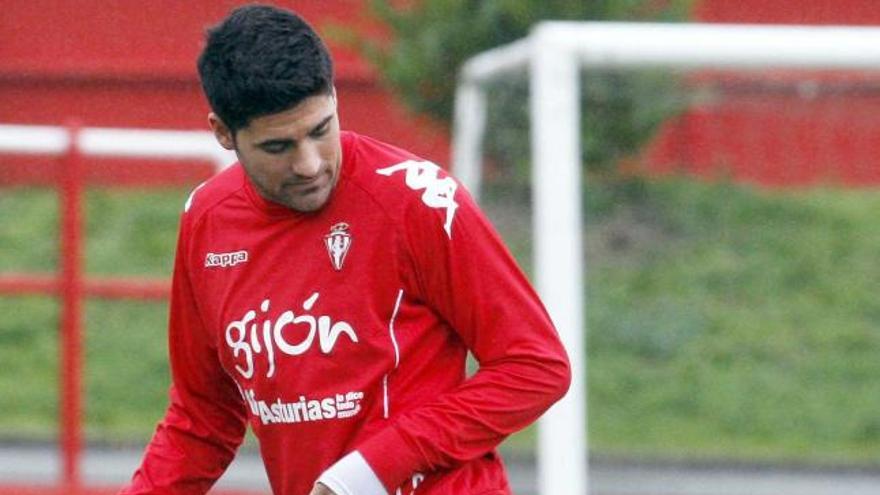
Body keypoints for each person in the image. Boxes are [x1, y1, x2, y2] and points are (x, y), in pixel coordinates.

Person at [120, 4, 570, 495]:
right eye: (278, 147)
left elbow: (536, 365)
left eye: (321, 129)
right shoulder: (207, 222)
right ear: (224, 133)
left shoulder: (417, 200)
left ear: (334, 97)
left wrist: (373, 468)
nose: (310, 164)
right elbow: (203, 415)